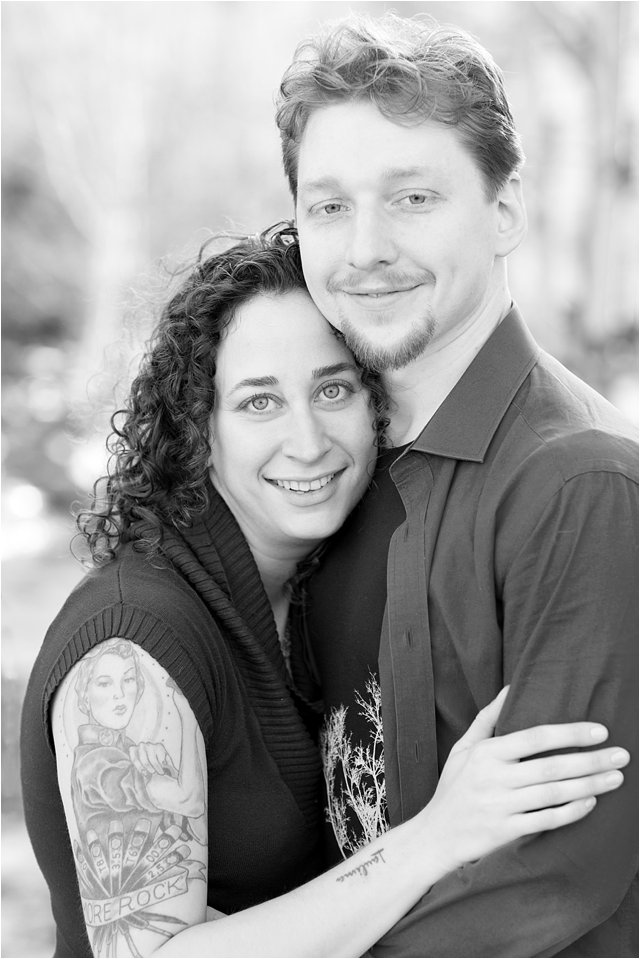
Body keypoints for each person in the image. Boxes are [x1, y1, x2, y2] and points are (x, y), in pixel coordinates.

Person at [20, 229, 629, 959]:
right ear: (196, 429)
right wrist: (434, 838)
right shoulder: (132, 644)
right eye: (258, 402)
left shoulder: (315, 583)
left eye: (332, 388)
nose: (307, 440)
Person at [275, 11, 639, 957]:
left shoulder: (581, 485)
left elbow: (554, 871)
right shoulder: (325, 469)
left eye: (413, 199)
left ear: (506, 208)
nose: (364, 250)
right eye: (328, 206)